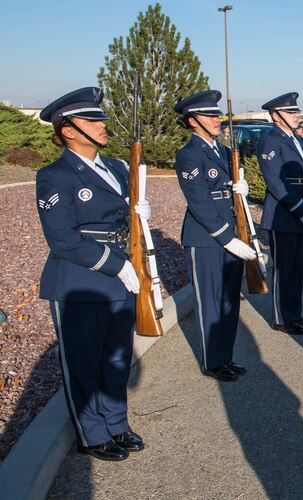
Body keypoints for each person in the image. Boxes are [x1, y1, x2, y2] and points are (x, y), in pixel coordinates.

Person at [36, 87, 150, 461]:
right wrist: (117, 264)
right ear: (68, 130)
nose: (102, 125)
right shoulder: (55, 175)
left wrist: (140, 216)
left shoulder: (118, 166)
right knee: (84, 360)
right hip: (81, 279)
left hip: (123, 273)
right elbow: (63, 239)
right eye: (92, 120)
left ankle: (117, 423)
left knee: (117, 358)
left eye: (100, 118)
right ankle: (93, 432)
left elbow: (125, 217)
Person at [174, 90, 256, 382]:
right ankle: (212, 360)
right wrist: (227, 238)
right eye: (210, 115)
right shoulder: (189, 154)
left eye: (216, 113)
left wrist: (240, 188)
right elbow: (199, 202)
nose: (217, 119)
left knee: (228, 300)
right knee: (210, 300)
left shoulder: (221, 151)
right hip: (206, 238)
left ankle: (226, 355)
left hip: (230, 232)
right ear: (193, 121)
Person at [257, 92, 303, 334]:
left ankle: (295, 314)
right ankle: (281, 317)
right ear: (276, 116)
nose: (296, 116)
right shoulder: (270, 141)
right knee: (283, 270)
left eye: (296, 112)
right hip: (283, 214)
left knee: (298, 269)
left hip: (302, 210)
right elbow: (276, 183)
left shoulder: (300, 141)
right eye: (290, 112)